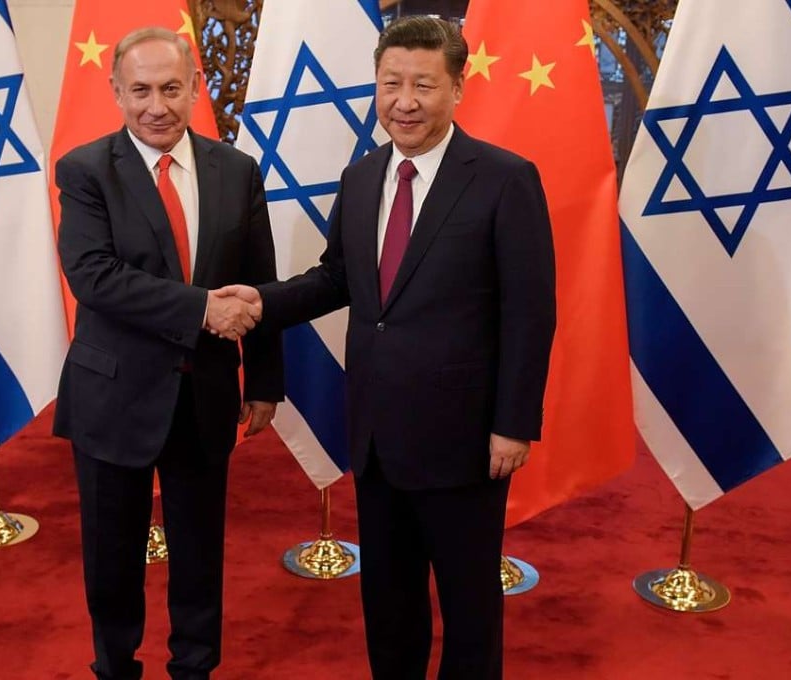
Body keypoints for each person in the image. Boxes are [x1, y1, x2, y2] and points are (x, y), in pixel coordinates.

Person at [217, 16, 555, 680]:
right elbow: (339, 278)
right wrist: (263, 303)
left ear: (458, 88)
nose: (405, 100)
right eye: (391, 82)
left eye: (424, 85)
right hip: (376, 433)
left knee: (469, 607)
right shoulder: (362, 176)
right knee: (389, 601)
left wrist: (514, 424)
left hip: (465, 440)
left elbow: (530, 311)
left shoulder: (504, 179)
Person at [53, 27, 283, 680]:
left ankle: (195, 667)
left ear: (196, 88)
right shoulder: (85, 169)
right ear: (117, 92)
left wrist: (265, 380)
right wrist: (201, 309)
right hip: (112, 394)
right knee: (111, 552)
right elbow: (93, 276)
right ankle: (115, 665)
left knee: (199, 551)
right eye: (142, 90)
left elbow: (257, 281)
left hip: (203, 393)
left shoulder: (236, 171)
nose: (157, 105)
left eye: (172, 88)